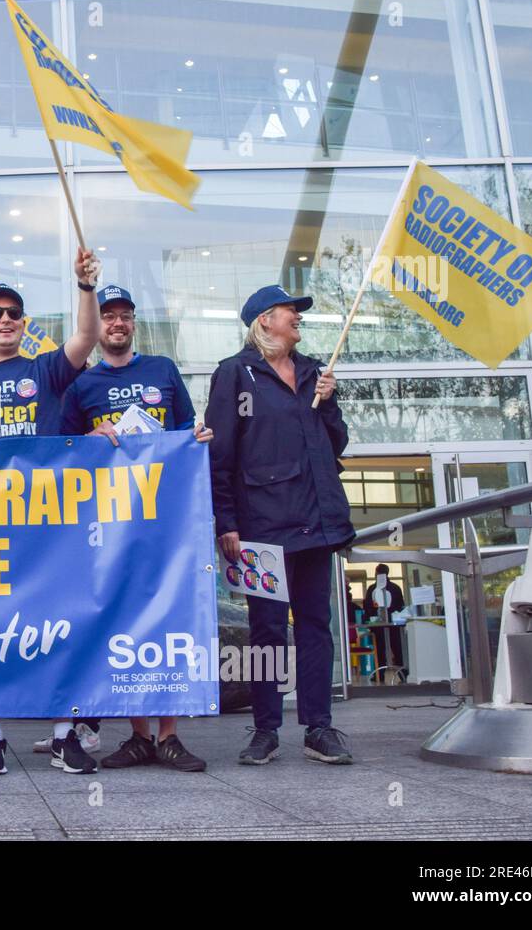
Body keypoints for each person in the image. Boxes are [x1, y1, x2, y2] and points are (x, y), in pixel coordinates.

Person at [0, 249, 101, 775]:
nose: (4, 319)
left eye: (13, 314)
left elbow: (87, 338)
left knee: (57, 625)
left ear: (23, 325)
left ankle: (61, 733)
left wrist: (84, 287)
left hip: (48, 527)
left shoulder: (44, 369)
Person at [60, 284, 212, 773]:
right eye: (109, 316)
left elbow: (190, 430)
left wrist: (199, 437)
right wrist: (88, 437)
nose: (118, 323)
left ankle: (169, 735)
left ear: (133, 325)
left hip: (167, 520)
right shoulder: (82, 384)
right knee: (123, 621)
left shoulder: (162, 370)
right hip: (110, 523)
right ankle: (137, 735)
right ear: (97, 326)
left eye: (126, 315)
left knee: (168, 617)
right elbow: (61, 451)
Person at [206, 284, 356, 766]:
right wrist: (225, 520)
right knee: (267, 628)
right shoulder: (234, 374)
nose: (299, 317)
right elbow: (220, 455)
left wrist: (329, 403)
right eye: (292, 310)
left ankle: (319, 727)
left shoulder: (314, 371)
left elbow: (336, 443)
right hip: (261, 525)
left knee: (316, 624)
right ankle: (265, 729)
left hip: (316, 521)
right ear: (265, 320)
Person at [363, 562, 406, 672]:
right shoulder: (396, 588)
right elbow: (401, 605)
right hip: (394, 623)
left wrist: (370, 618)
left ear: (376, 573)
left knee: (379, 648)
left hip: (378, 624)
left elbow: (367, 606)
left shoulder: (372, 588)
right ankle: (402, 672)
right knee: (397, 648)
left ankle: (380, 673)